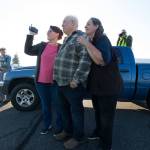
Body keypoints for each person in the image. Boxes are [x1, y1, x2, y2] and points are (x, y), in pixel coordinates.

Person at [78, 17, 123, 150]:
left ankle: (105, 145)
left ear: (96, 26)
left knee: (106, 119)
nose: (85, 26)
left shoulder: (102, 39)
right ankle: (98, 132)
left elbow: (103, 60)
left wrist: (86, 44)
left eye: (88, 24)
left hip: (108, 88)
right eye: (85, 24)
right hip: (97, 87)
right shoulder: (92, 41)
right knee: (98, 113)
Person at [53, 15, 91, 149]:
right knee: (64, 110)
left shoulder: (80, 37)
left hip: (72, 84)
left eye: (64, 22)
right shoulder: (67, 39)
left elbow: (85, 60)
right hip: (61, 83)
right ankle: (67, 131)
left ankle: (78, 137)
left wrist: (77, 79)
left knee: (76, 112)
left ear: (73, 24)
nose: (62, 24)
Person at [24, 25, 63, 135]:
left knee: (58, 105)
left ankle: (60, 126)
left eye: (50, 31)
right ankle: (47, 125)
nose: (47, 32)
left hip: (55, 82)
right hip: (41, 83)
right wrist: (31, 35)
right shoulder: (42, 45)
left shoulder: (62, 47)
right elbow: (28, 50)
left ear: (57, 34)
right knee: (46, 106)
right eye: (48, 31)